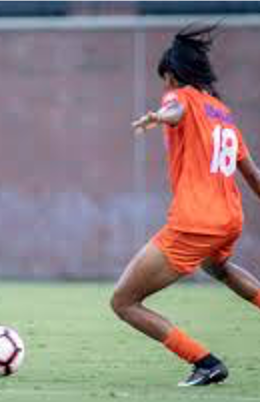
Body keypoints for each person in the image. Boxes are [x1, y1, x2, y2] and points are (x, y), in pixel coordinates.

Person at [111, 25, 260, 387]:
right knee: (218, 268)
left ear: (174, 76)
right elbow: (253, 175)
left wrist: (162, 115)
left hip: (196, 222)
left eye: (166, 81)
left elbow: (176, 108)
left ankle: (205, 362)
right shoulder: (221, 113)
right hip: (229, 218)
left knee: (124, 302)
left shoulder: (181, 98)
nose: (165, 90)